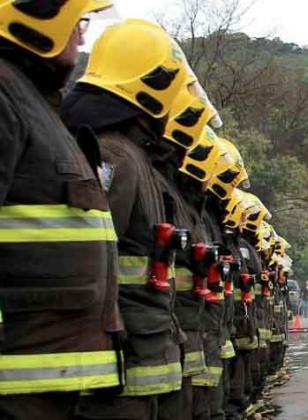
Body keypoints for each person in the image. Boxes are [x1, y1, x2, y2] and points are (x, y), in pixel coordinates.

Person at [61, 19, 191, 418]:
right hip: (126, 353)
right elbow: (91, 254)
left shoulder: (130, 155)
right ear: (153, 86)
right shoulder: (115, 155)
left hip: (141, 347)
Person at [0, 2, 123, 419]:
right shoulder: (6, 96)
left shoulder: (34, 105)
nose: (82, 37)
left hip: (41, 379)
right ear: (36, 17)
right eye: (77, 24)